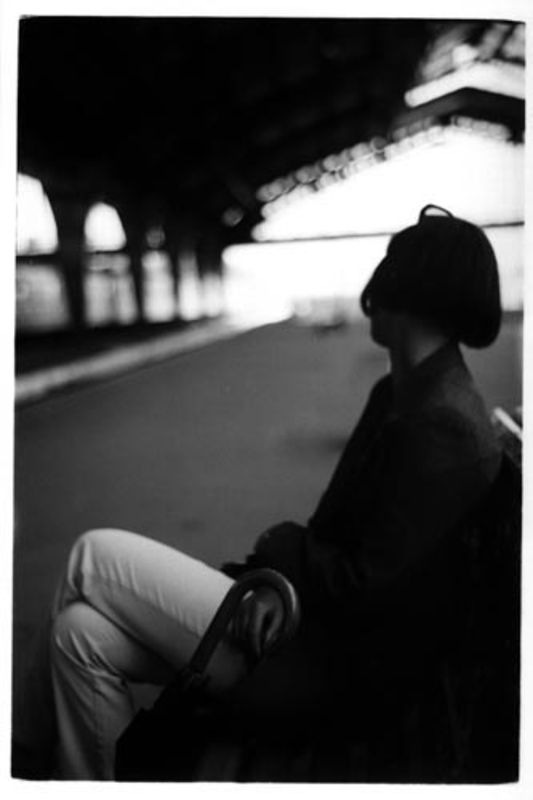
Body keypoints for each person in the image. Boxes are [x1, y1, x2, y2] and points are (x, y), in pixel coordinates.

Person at [12, 205, 503, 780]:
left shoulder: (441, 423)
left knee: (92, 555)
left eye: (390, 266)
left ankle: (18, 758)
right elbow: (335, 536)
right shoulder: (402, 393)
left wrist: (278, 556)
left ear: (409, 287)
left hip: (326, 663)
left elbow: (361, 584)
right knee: (77, 637)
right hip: (302, 622)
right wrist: (277, 581)